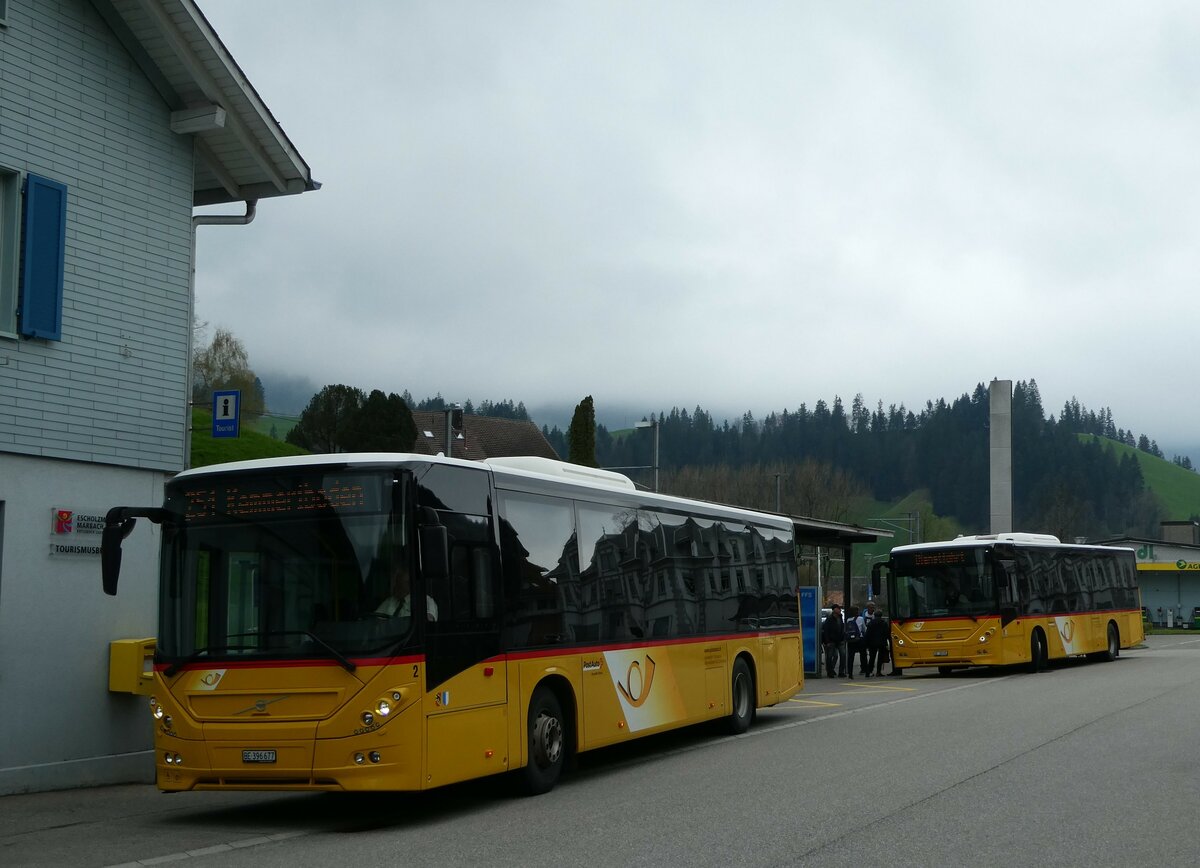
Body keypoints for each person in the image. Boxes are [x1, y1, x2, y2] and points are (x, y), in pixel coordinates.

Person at [820, 604, 845, 678]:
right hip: (831, 641)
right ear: (834, 610)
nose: (840, 610)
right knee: (830, 656)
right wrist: (827, 641)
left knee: (843, 655)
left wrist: (843, 638)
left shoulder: (840, 618)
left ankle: (841, 671)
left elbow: (842, 628)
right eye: (838, 609)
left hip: (840, 640)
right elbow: (826, 631)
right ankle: (830, 672)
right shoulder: (829, 619)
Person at [844, 605, 867, 678]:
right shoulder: (861, 618)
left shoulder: (848, 620)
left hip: (851, 641)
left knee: (851, 657)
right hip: (859, 639)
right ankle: (866, 671)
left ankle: (850, 673)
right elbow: (864, 629)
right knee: (863, 655)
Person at [865, 611, 890, 676]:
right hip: (882, 642)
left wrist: (867, 643)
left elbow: (868, 634)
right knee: (880, 658)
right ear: (881, 616)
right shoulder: (884, 623)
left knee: (872, 658)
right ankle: (878, 672)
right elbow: (887, 633)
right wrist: (887, 642)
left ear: (875, 616)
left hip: (872, 643)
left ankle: (869, 671)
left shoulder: (871, 623)